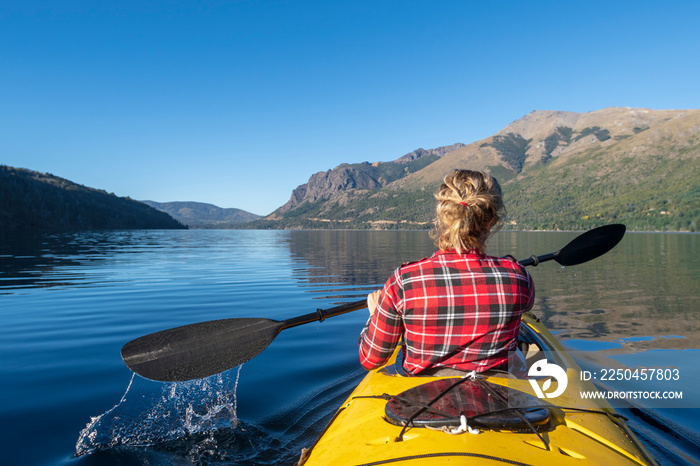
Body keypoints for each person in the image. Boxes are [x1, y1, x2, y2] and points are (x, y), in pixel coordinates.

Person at [359, 169, 535, 376]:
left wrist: (374, 316)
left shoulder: (404, 281)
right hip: (496, 397)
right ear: (491, 221)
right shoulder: (518, 276)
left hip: (422, 399)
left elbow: (371, 359)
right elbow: (527, 304)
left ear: (443, 217)